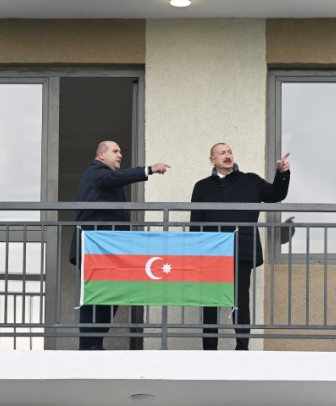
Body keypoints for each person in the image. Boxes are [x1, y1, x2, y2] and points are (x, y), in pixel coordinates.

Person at [70, 140, 171, 350]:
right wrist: (149, 169)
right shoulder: (96, 171)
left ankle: (95, 344)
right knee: (95, 296)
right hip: (95, 247)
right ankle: (88, 346)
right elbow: (115, 178)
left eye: (120, 151)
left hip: (108, 248)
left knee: (111, 295)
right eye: (115, 151)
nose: (120, 155)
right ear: (101, 155)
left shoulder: (103, 175)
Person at [189, 143, 290, 350]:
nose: (227, 155)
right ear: (212, 160)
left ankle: (242, 349)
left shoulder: (250, 180)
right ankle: (209, 351)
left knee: (240, 302)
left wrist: (281, 174)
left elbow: (275, 195)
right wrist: (196, 256)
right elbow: (195, 223)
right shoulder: (202, 186)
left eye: (229, 152)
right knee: (210, 304)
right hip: (212, 254)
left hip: (241, 251)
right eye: (221, 153)